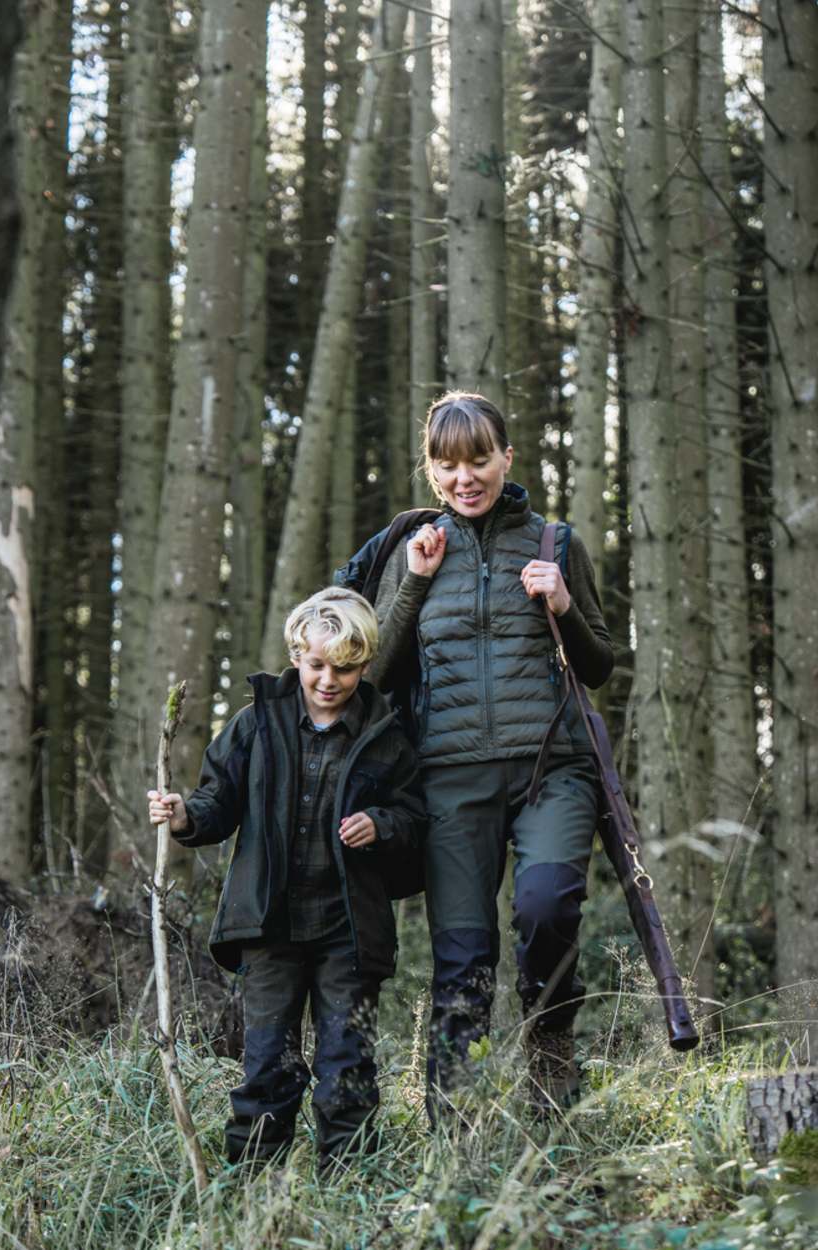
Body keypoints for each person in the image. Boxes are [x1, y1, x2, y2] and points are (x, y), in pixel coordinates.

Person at [334, 392, 614, 1112]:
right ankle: (454, 1119)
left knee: (547, 908)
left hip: (552, 770)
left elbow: (602, 663)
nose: (466, 477)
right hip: (450, 782)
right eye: (448, 464)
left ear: (507, 458)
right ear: (431, 471)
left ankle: (551, 1055)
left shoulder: (555, 544)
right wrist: (417, 581)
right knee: (462, 958)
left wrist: (563, 607)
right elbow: (381, 672)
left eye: (480, 459)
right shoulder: (411, 551)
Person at [148, 587, 426, 1170]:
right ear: (297, 655)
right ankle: (251, 1192)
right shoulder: (257, 723)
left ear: (365, 665)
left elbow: (417, 818)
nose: (329, 680)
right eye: (318, 664)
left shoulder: (386, 733)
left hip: (349, 930)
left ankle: (348, 1193)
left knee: (346, 1066)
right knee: (267, 1065)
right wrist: (184, 817)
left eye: (346, 668)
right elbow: (216, 800)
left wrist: (381, 824)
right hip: (268, 924)